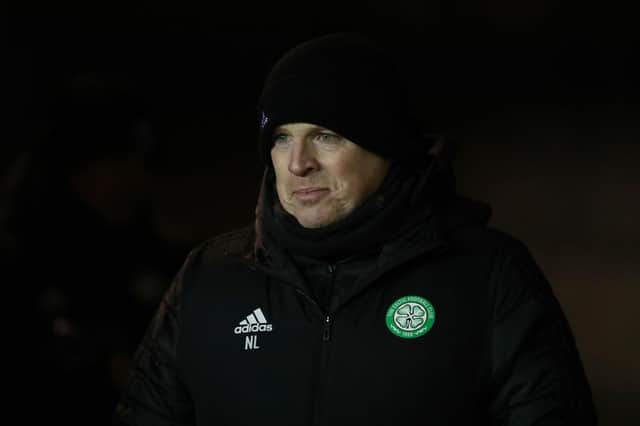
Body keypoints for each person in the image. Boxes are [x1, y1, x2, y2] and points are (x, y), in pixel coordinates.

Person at [113, 33, 597, 425]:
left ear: (385, 147)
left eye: (326, 136)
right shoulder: (209, 278)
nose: (298, 163)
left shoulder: (489, 277)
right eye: (282, 139)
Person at [2, 73, 187, 425]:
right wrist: (101, 363)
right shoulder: (24, 260)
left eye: (140, 163)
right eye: (116, 163)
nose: (135, 179)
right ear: (75, 173)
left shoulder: (136, 237)